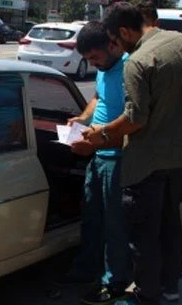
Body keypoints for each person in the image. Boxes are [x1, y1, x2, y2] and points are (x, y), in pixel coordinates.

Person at [83, 2, 182, 305]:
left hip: (148, 163)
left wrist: (100, 134)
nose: (115, 47)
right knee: (170, 228)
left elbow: (135, 119)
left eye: (114, 40)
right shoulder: (181, 42)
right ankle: (170, 289)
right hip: (179, 158)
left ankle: (146, 295)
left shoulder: (137, 62)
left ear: (124, 31)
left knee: (143, 236)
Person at [58, 20, 132, 305]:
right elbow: (98, 98)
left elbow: (133, 121)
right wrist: (82, 119)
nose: (93, 64)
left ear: (112, 45)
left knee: (115, 226)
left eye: (96, 57)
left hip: (117, 158)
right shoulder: (103, 69)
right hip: (98, 156)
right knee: (91, 219)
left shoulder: (129, 70)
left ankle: (114, 283)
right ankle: (87, 269)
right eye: (87, 59)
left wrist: (95, 141)